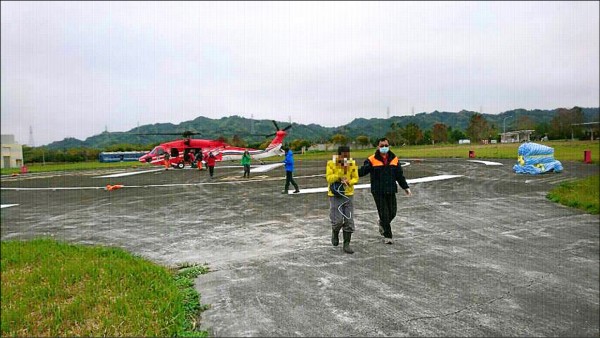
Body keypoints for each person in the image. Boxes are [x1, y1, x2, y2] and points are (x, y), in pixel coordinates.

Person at [358, 137, 412, 244]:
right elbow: (362, 171)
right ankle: (388, 236)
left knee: (393, 212)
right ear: (378, 147)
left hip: (391, 190)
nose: (384, 148)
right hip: (378, 191)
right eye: (382, 146)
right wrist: (349, 175)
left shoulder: (394, 159)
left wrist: (405, 187)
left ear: (389, 146)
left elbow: (399, 175)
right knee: (384, 214)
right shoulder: (371, 160)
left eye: (386, 145)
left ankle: (382, 223)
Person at [326, 146, 359, 254]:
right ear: (339, 155)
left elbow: (356, 178)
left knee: (349, 220)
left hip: (348, 194)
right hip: (336, 195)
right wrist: (340, 175)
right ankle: (335, 232)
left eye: (347, 156)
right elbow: (329, 178)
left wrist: (349, 181)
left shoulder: (352, 164)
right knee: (338, 221)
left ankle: (346, 244)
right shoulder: (331, 163)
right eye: (344, 156)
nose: (346, 158)